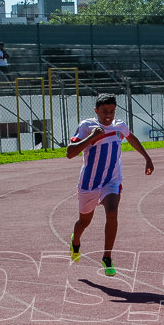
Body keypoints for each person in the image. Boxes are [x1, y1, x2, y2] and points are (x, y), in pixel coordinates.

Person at [67, 93, 155, 277]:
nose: (108, 115)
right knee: (84, 221)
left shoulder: (119, 126)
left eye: (112, 111)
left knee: (112, 212)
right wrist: (91, 137)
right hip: (89, 183)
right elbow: (70, 153)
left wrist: (147, 158)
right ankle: (76, 242)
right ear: (96, 110)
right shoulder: (87, 126)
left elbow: (131, 138)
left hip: (112, 180)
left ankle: (107, 257)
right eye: (104, 111)